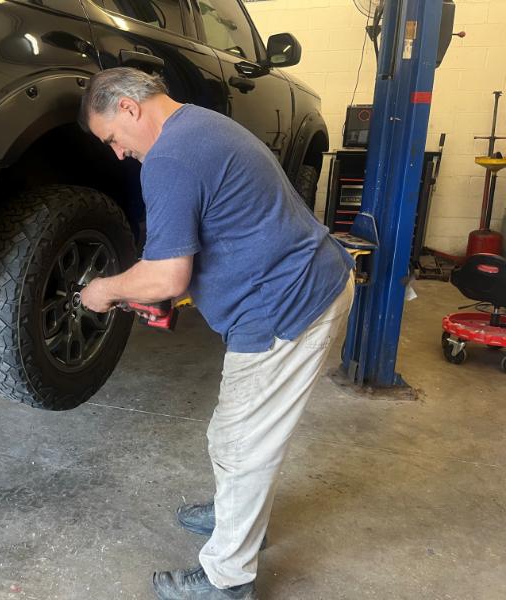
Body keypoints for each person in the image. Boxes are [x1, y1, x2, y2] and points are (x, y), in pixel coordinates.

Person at [78, 67, 355, 600]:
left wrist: (105, 290)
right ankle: (239, 518)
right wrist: (169, 287)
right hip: (306, 280)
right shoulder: (199, 124)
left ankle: (228, 580)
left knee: (239, 443)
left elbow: (166, 276)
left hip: (286, 306)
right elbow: (217, 231)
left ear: (129, 108)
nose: (118, 153)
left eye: (112, 138)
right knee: (241, 439)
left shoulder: (170, 159)